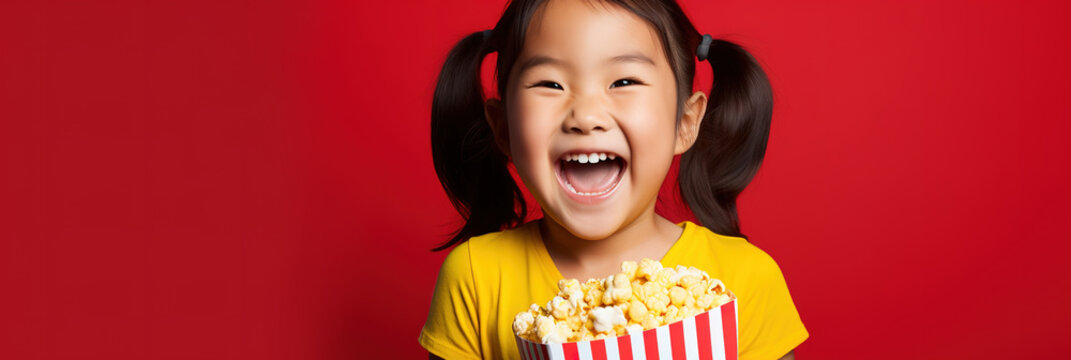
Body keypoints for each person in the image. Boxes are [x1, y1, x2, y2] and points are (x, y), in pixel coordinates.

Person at [420, 0, 808, 358]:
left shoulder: (745, 281)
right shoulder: (475, 277)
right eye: (549, 84)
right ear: (503, 128)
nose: (586, 116)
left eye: (624, 82)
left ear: (685, 124)